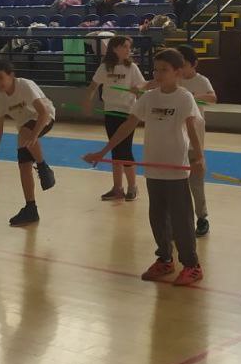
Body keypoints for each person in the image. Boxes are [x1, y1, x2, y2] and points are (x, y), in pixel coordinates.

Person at [84, 48, 206, 285]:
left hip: (175, 169)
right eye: (156, 70)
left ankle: (192, 265)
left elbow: (191, 127)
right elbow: (128, 125)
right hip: (153, 168)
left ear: (177, 72)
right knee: (157, 218)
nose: (158, 74)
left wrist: (199, 157)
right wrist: (103, 151)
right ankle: (165, 259)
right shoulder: (149, 98)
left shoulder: (184, 97)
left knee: (181, 220)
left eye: (164, 70)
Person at [0, 58, 56, 227]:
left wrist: (34, 135)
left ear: (11, 76)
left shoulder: (25, 85)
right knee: (24, 166)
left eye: (0, 78)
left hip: (45, 118)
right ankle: (31, 208)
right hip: (25, 128)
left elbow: (43, 113)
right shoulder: (0, 98)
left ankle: (43, 167)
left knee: (24, 133)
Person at [84, 35, 145, 202]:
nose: (128, 50)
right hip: (110, 111)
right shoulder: (105, 67)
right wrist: (87, 103)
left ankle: (132, 187)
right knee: (115, 150)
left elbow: (142, 86)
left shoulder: (132, 67)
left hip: (127, 113)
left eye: (129, 47)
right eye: (125, 46)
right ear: (115, 48)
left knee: (125, 150)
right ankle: (117, 188)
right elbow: (92, 87)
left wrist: (137, 90)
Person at [172, 45, 216, 236]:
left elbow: (213, 97)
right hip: (176, 139)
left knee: (196, 182)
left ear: (193, 64)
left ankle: (202, 218)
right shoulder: (174, 80)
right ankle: (178, 220)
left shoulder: (201, 80)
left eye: (184, 64)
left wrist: (191, 97)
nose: (180, 69)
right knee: (175, 184)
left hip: (194, 139)